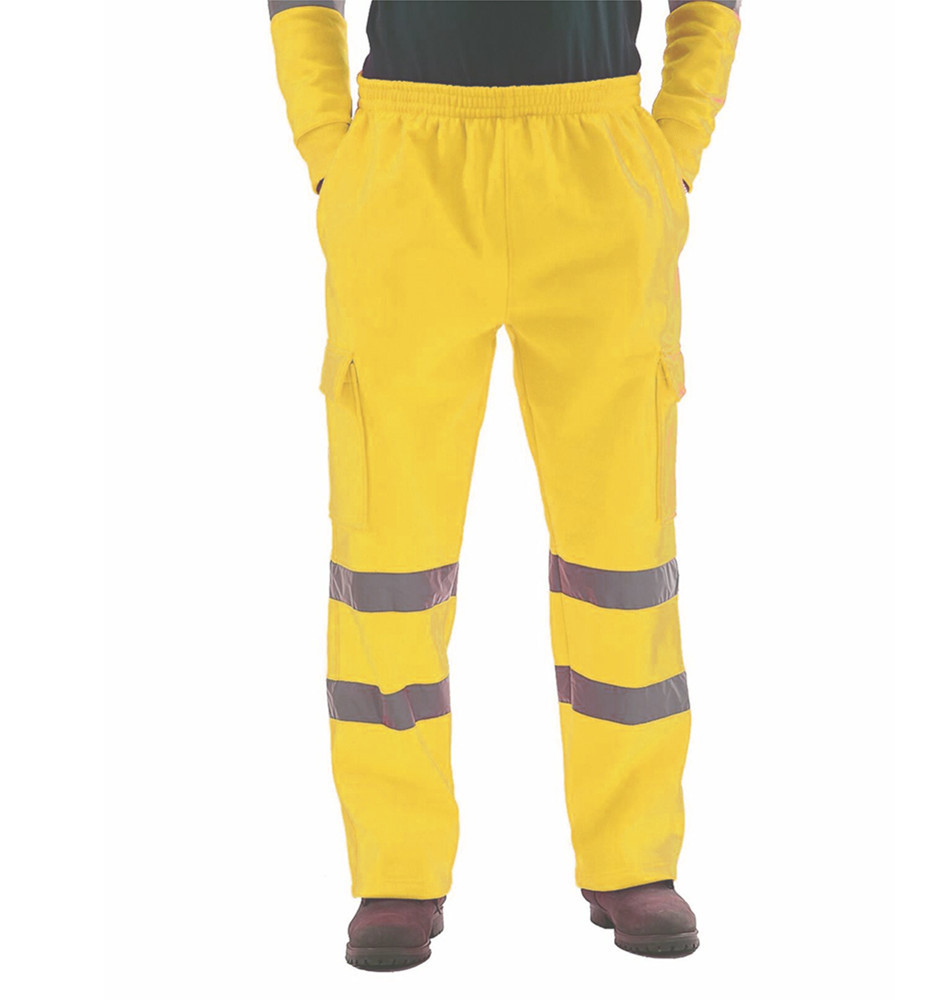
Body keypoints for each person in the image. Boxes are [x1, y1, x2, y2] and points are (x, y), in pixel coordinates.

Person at [268, 0, 740, 971]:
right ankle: (395, 869)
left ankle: (633, 855)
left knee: (623, 543)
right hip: (406, 168)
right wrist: (328, 152)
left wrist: (674, 148)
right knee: (388, 549)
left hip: (599, 163)